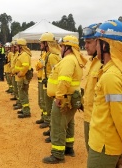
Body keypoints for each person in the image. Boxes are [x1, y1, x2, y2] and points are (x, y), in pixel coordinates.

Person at [87, 20, 122, 167]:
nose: (95, 46)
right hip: (112, 143)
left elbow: (119, 116)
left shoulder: (110, 76)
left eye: (97, 41)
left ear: (105, 45)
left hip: (104, 146)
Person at [43, 35, 87, 164]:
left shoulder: (68, 60)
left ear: (68, 47)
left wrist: (59, 96)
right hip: (71, 98)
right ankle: (69, 148)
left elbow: (64, 80)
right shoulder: (75, 59)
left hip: (64, 99)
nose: (60, 48)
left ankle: (57, 154)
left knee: (57, 125)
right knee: (69, 123)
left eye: (62, 46)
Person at [81, 23, 103, 151]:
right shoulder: (94, 62)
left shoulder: (104, 64)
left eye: (89, 42)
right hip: (88, 117)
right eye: (85, 42)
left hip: (97, 121)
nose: (86, 45)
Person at [38, 32, 61, 138]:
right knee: (48, 108)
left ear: (47, 44)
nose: (40, 45)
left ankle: (53, 132)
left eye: (42, 43)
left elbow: (55, 72)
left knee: (51, 110)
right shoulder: (48, 55)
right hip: (48, 85)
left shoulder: (52, 56)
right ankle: (51, 129)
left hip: (51, 86)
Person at [12, 38, 32, 118]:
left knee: (23, 95)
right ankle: (24, 109)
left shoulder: (24, 55)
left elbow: (25, 66)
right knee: (22, 95)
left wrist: (20, 74)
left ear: (21, 47)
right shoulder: (21, 54)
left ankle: (26, 112)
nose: (16, 48)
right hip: (20, 78)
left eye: (17, 46)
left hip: (22, 78)